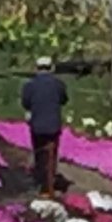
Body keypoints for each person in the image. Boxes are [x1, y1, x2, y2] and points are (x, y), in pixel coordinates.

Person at [21, 54, 69, 195]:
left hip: (37, 125)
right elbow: (64, 100)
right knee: (52, 154)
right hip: (53, 125)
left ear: (36, 68)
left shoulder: (29, 85)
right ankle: (49, 182)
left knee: (40, 153)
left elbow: (25, 103)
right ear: (51, 68)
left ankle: (41, 182)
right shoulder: (58, 84)